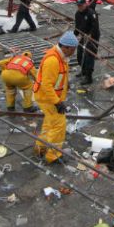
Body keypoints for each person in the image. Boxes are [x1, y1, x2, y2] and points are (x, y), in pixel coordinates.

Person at [33, 31, 78, 164]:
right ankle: (53, 156)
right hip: (48, 98)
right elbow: (46, 85)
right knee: (59, 125)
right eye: (73, 50)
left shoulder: (60, 56)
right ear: (66, 47)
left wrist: (66, 82)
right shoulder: (53, 60)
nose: (74, 52)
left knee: (49, 123)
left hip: (48, 97)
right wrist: (57, 102)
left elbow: (58, 76)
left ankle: (40, 148)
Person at [74, 0, 101, 85]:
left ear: (85, 4)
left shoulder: (91, 13)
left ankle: (89, 77)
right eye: (78, 6)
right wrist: (74, 35)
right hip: (83, 35)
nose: (80, 7)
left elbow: (95, 27)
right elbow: (77, 27)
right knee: (79, 54)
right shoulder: (78, 14)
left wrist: (90, 36)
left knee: (89, 56)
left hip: (92, 37)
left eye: (81, 5)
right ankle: (83, 70)